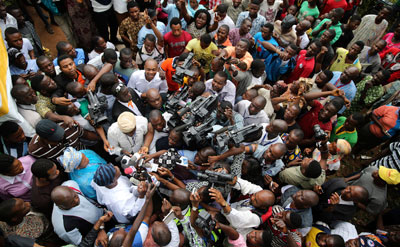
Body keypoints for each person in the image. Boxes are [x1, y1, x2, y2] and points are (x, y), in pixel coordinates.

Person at [50, 180, 106, 245]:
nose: (76, 200)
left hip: (103, 216)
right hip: (97, 235)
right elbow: (83, 244)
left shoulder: (70, 184)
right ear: (62, 206)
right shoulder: (64, 228)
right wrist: (98, 230)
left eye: (75, 196)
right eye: (71, 202)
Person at [28, 119, 96, 160]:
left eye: (61, 133)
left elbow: (86, 134)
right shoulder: (35, 150)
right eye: (55, 139)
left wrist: (104, 140)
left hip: (86, 155)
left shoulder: (69, 127)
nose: (61, 138)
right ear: (43, 139)